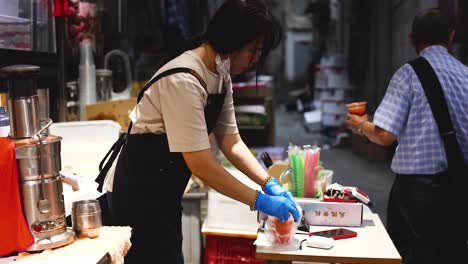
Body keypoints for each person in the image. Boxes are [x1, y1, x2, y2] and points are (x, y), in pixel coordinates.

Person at [109, 1, 301, 263]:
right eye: (253, 50)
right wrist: (261, 201)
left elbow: (231, 142)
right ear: (233, 39)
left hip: (165, 192)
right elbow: (202, 166)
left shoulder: (220, 73)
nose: (256, 59)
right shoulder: (184, 79)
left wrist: (270, 184)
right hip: (139, 198)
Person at [345, 8, 468, 264]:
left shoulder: (409, 74)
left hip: (417, 193)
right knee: (452, 253)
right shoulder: (465, 76)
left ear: (412, 39)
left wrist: (361, 125)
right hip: (459, 186)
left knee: (412, 255)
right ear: (451, 37)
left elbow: (385, 135)